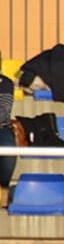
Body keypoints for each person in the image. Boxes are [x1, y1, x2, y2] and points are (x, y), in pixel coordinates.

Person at [0, 73, 15, 207]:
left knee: (7, 150)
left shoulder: (4, 82)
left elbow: (3, 111)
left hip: (1, 128)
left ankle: (4, 190)